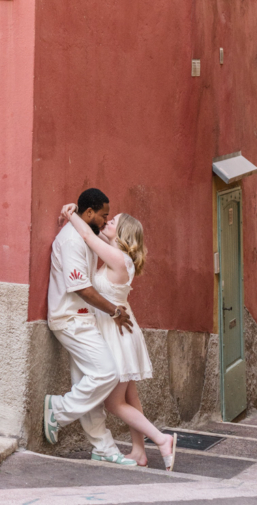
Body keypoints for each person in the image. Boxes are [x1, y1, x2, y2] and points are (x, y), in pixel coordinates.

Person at [62, 202, 177, 471]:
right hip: (122, 330)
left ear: (123, 232)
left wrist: (70, 215)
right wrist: (84, 218)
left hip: (116, 333)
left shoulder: (118, 259)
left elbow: (89, 236)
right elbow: (96, 232)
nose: (108, 221)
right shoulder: (118, 253)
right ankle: (139, 452)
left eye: (114, 221)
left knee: (114, 403)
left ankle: (162, 440)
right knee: (131, 398)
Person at [43, 187, 139, 465]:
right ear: (89, 213)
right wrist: (114, 311)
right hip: (70, 319)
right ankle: (58, 411)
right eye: (103, 215)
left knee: (87, 383)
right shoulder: (72, 240)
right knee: (107, 374)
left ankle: (103, 448)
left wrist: (69, 210)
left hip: (84, 319)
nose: (106, 220)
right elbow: (82, 288)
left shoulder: (85, 233)